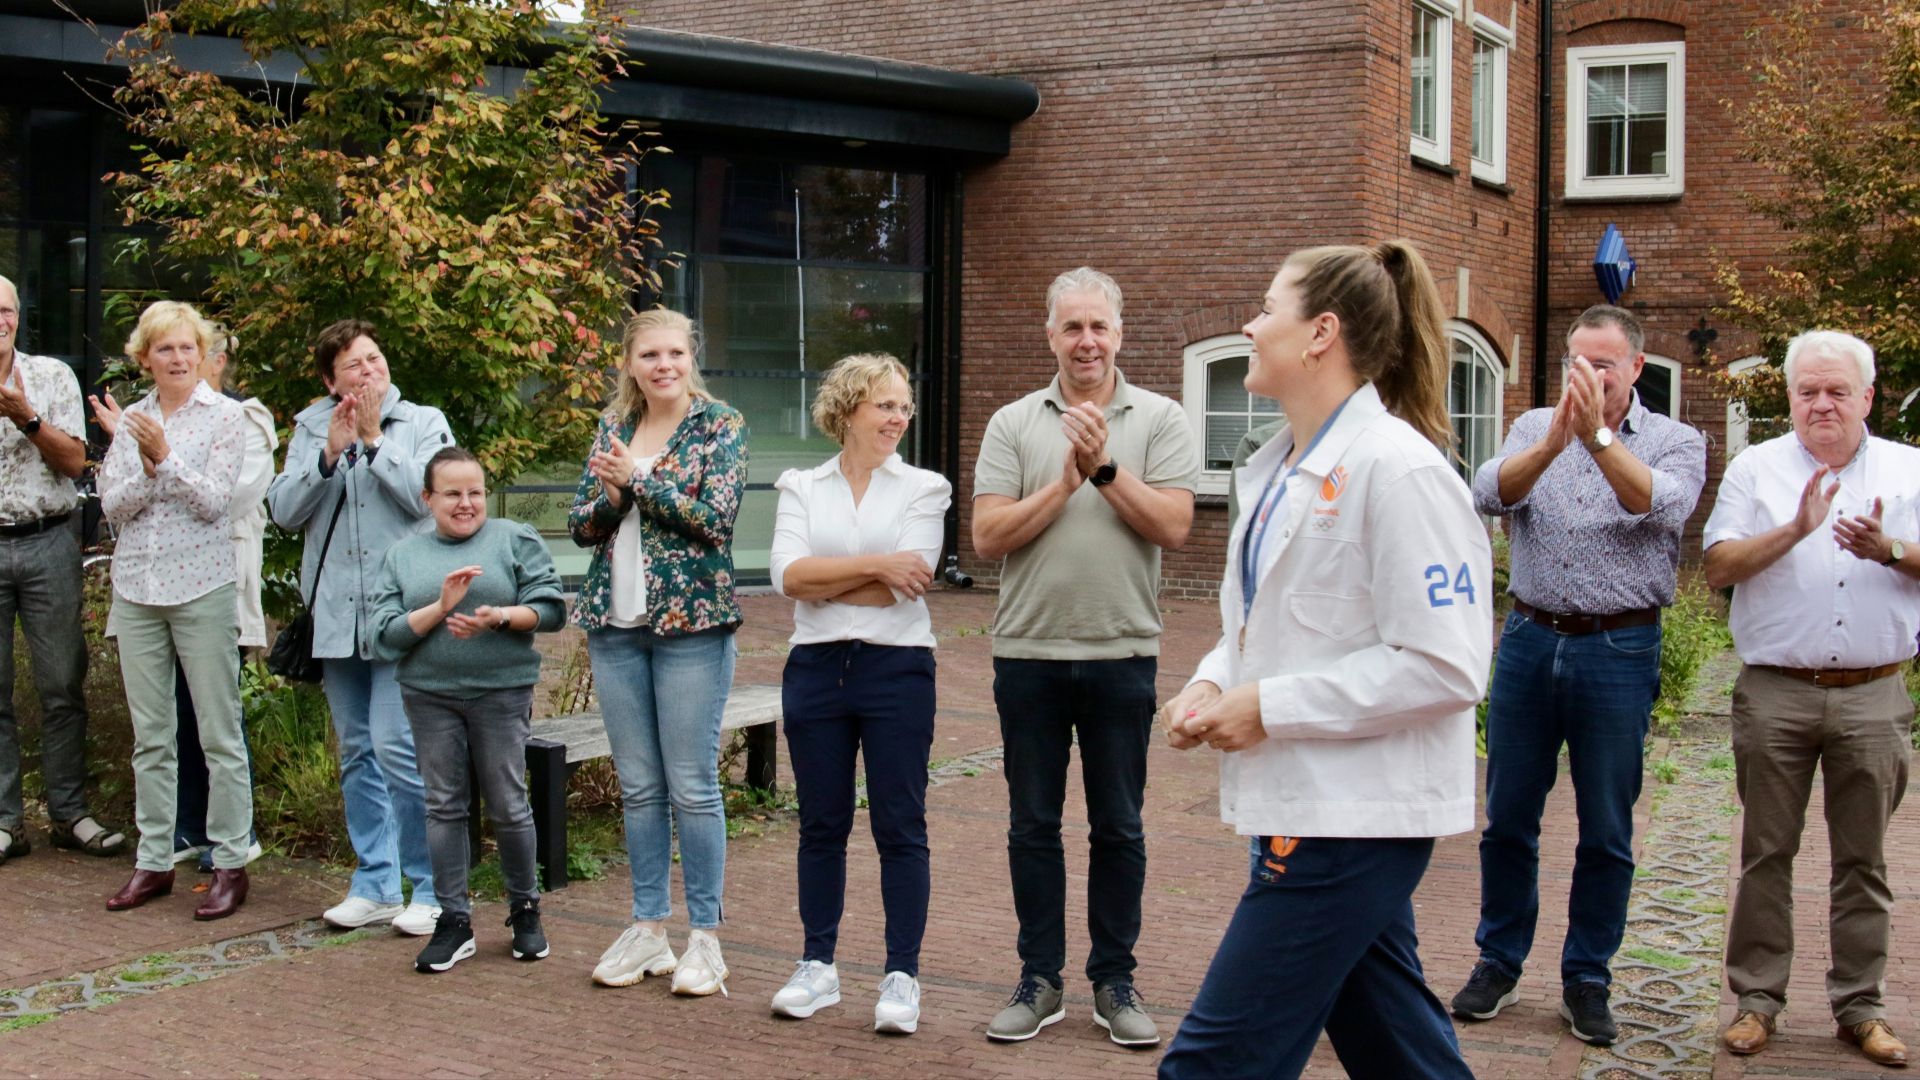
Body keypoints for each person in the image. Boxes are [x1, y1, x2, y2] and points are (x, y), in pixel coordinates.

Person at [1155, 242, 1490, 1080]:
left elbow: (1448, 667)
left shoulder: (1401, 471)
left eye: (1267, 308)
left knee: (1213, 1065)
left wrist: (1268, 706)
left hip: (1350, 821)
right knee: (1397, 1050)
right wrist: (1214, 678)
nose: (1250, 324)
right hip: (1314, 804)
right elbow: (1269, 623)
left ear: (1320, 334)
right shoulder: (1276, 469)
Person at [1451, 304, 1707, 1045]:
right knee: (1509, 819)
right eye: (1576, 362)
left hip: (1618, 650)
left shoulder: (1674, 440)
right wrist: (1560, 435)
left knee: (1606, 827)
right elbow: (1490, 492)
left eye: (1602, 364)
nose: (1586, 376)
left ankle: (1587, 975)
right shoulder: (1535, 425)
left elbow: (1657, 506)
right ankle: (1498, 961)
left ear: (1634, 368)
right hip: (1531, 639)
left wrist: (1593, 437)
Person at [971, 266, 1199, 1048]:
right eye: (1072, 326)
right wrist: (1063, 484)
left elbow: (1173, 527)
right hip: (1028, 653)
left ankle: (1114, 980)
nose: (1087, 340)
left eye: (1099, 326)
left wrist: (1102, 469)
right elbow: (988, 537)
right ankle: (1039, 978)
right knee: (1031, 825)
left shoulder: (1161, 417)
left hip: (1121, 652)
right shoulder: (1013, 423)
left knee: (1120, 827)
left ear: (1120, 334)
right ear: (1051, 337)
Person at [1703, 330, 1919, 1069]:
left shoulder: (1909, 469)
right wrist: (1795, 529)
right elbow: (1717, 567)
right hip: (1777, 694)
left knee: (1864, 861)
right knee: (1767, 853)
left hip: (1873, 693)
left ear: (1867, 395)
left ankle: (1861, 1007)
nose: (1821, 404)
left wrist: (1888, 548)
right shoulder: (1756, 468)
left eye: (1836, 391)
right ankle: (1756, 1003)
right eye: (1806, 392)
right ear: (1789, 398)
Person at [765, 353, 952, 1034]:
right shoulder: (801, 486)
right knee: (821, 825)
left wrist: (831, 578)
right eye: (885, 405)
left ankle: (901, 976)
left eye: (904, 406)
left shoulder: (925, 488)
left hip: (898, 668)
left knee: (899, 825)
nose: (899, 418)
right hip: (815, 669)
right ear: (848, 410)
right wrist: (876, 563)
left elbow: (914, 579)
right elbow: (787, 575)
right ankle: (818, 966)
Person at [570, 309, 747, 996]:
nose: (663, 365)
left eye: (675, 352)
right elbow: (582, 526)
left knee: (693, 785)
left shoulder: (719, 424)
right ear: (630, 362)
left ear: (690, 357)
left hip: (692, 628)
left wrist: (638, 483)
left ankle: (706, 939)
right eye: (650, 355)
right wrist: (613, 498)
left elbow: (716, 519)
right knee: (640, 787)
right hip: (616, 624)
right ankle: (649, 930)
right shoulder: (613, 427)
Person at [267, 319, 450, 936]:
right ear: (330, 379)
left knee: (400, 749)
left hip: (403, 613)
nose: (368, 370)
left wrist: (372, 441)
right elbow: (285, 512)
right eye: (353, 364)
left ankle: (430, 889)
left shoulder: (423, 422)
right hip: (336, 615)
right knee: (357, 752)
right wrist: (326, 453)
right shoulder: (310, 427)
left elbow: (425, 501)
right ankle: (375, 882)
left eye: (375, 358)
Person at [369, 447, 566, 974]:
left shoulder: (513, 539)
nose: (465, 503)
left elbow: (551, 610)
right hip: (429, 695)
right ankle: (453, 920)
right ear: (427, 498)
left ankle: (525, 910)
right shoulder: (404, 556)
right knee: (444, 806)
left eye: (474, 492)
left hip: (500, 693)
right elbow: (383, 637)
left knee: (507, 802)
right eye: (452, 493)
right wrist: (439, 608)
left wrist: (498, 616)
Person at [93, 325, 275, 873]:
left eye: (187, 348)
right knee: (151, 739)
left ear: (203, 357)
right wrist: (152, 470)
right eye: (165, 348)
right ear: (144, 358)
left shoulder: (226, 416)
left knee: (219, 736)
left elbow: (216, 502)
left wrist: (164, 459)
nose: (177, 358)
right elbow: (112, 506)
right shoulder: (132, 420)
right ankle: (153, 863)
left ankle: (228, 861)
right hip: (137, 589)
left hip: (202, 587)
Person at [0, 273, 126, 867]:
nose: (0, 319)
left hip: (48, 540)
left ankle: (68, 814)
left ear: (18, 317)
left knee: (61, 683)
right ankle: (5, 822)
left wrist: (26, 416)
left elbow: (77, 462)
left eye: (7, 309)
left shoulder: (51, 376)